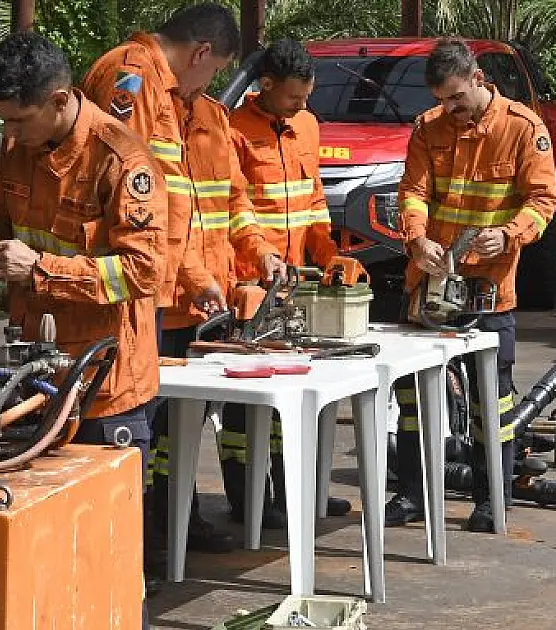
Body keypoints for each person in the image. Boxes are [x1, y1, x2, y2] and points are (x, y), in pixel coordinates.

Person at [0, 32, 164, 629]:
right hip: (34, 376)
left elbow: (145, 271)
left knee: (107, 551)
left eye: (18, 120)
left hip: (104, 388)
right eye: (3, 120)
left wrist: (43, 269)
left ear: (58, 100)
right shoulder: (20, 146)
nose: (10, 131)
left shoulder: (122, 160)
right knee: (47, 542)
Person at [80, 0, 243, 561]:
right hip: (130, 282)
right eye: (214, 69)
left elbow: (173, 203)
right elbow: (140, 197)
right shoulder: (134, 78)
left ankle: (163, 531)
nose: (209, 83)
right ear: (201, 52)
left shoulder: (164, 90)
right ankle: (133, 550)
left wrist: (194, 274)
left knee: (154, 421)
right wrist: (190, 273)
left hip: (158, 281)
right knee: (126, 424)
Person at [387, 37, 556, 532]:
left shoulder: (523, 128)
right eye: (442, 101)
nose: (451, 110)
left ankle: (491, 497)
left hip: (489, 289)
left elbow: (542, 201)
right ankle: (413, 492)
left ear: (479, 79)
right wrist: (417, 240)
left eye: (457, 98)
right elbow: (413, 192)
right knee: (414, 399)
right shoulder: (428, 128)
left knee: (491, 401)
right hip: (432, 285)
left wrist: (508, 236)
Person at [144, 85, 286, 560]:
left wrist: (261, 251)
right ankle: (155, 526)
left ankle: (180, 518)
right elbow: (164, 223)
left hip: (208, 305)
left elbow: (236, 203)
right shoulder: (153, 112)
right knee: (158, 426)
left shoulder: (214, 118)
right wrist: (196, 277)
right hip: (167, 301)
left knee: (189, 423)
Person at [226, 38, 355, 526]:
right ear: (265, 85)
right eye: (293, 97)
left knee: (295, 397)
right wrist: (260, 256)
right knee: (246, 406)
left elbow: (313, 197)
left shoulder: (308, 126)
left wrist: (328, 251)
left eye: (307, 96)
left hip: (295, 284)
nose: (301, 105)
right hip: (249, 285)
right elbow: (233, 208)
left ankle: (296, 494)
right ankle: (248, 501)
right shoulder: (233, 130)